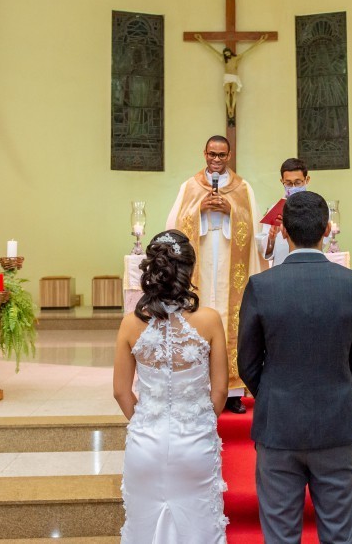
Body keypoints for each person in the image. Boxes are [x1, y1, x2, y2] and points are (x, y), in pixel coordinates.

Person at [238, 191, 352, 544]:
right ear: (327, 229)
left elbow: (247, 364)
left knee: (280, 536)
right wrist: (335, 386)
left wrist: (275, 392)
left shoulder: (261, 286)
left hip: (278, 426)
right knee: (340, 535)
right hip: (338, 424)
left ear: (283, 231)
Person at [113, 230, 230, 543]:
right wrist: (199, 420)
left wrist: (145, 420)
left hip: (145, 444)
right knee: (199, 530)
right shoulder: (209, 320)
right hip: (194, 441)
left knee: (143, 530)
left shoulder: (130, 323)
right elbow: (220, 390)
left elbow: (121, 391)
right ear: (189, 270)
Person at [167, 135, 261, 414]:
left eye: (221, 155)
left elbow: (255, 227)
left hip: (231, 255)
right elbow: (174, 225)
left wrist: (233, 211)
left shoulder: (242, 187)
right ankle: (197, 386)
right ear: (205, 153)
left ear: (229, 155)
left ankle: (232, 391)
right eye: (212, 154)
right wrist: (200, 210)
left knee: (231, 318)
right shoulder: (190, 186)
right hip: (202, 254)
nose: (216, 160)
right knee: (201, 313)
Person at [193, 33, 268, 125]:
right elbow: (211, 50)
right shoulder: (222, 59)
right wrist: (201, 40)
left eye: (227, 52)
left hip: (235, 77)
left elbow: (250, 50)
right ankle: (229, 107)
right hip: (227, 77)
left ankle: (232, 107)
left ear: (230, 52)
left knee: (233, 92)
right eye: (225, 53)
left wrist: (261, 40)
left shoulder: (236, 58)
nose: (226, 53)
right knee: (228, 92)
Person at [255, 157, 311, 268]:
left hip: (308, 266)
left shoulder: (316, 206)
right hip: (282, 267)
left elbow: (322, 241)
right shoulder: (275, 210)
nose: (293, 187)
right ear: (282, 181)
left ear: (307, 180)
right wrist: (271, 238)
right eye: (288, 183)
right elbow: (267, 253)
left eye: (298, 183)